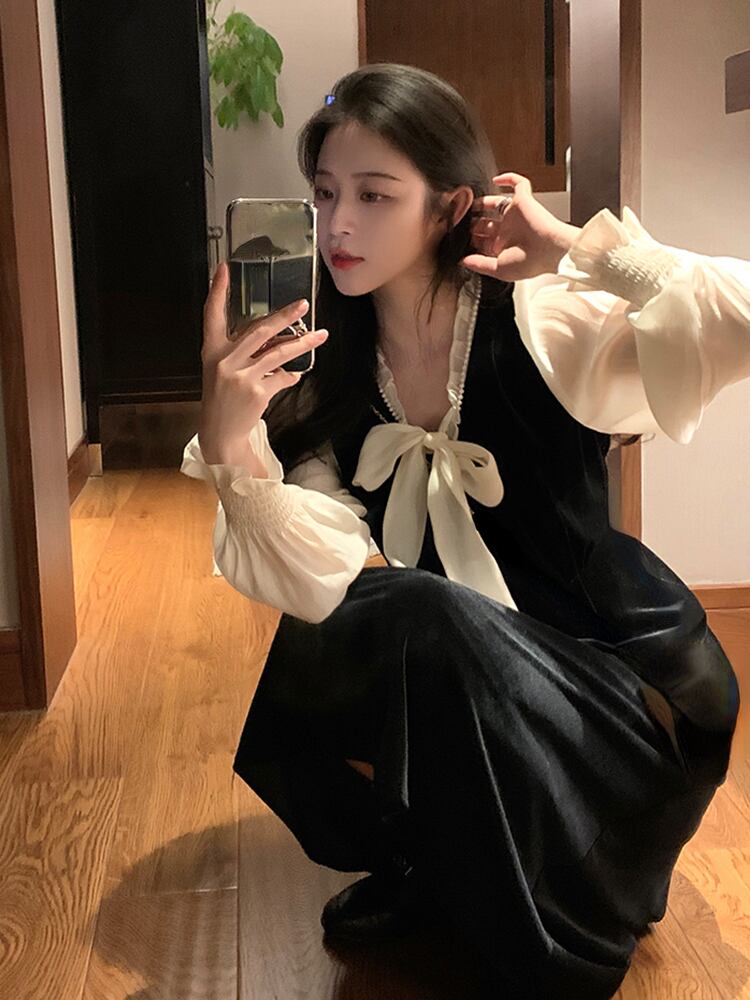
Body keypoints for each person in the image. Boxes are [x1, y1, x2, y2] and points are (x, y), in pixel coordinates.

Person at [181, 63, 750, 999]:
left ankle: (565, 898)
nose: (338, 224)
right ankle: (443, 869)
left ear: (450, 207)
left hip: (623, 688)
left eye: (374, 195)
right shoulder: (328, 374)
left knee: (419, 611)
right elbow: (317, 580)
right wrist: (231, 439)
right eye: (324, 193)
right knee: (371, 614)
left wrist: (574, 248)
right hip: (479, 691)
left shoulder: (541, 317)